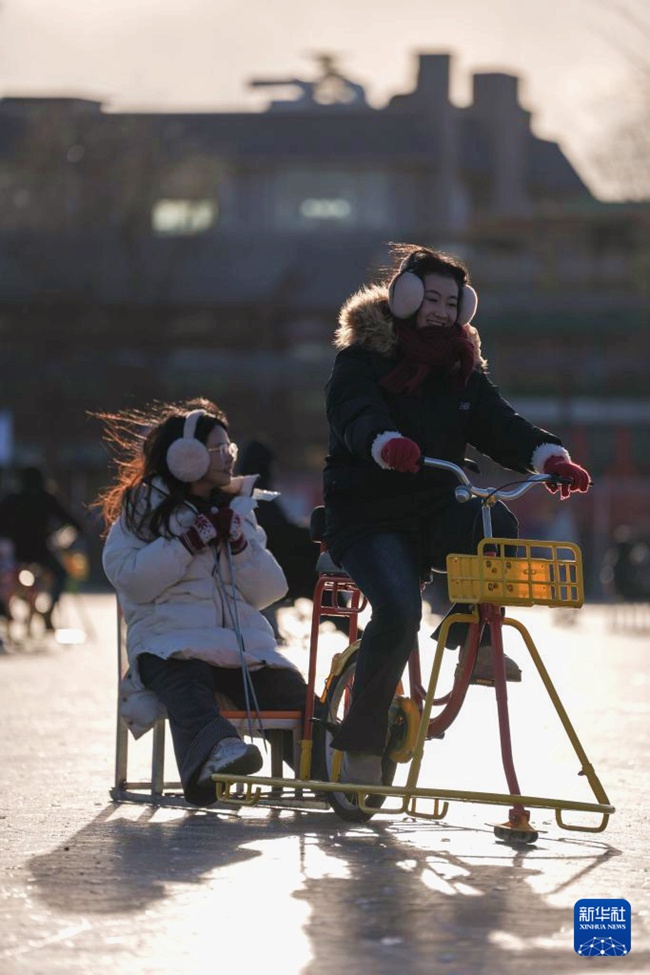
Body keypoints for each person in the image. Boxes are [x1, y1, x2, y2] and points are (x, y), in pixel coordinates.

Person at [322, 244, 591, 785]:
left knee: (494, 522)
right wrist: (385, 442)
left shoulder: (460, 368)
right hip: (368, 517)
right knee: (397, 611)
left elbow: (499, 423)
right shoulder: (361, 359)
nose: (442, 311)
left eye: (452, 301)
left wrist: (548, 456)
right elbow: (355, 412)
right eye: (432, 298)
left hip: (432, 509)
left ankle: (476, 641)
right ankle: (362, 745)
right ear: (405, 298)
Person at [96, 398, 310, 807]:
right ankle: (214, 753)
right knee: (188, 683)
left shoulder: (238, 507)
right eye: (219, 449)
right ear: (186, 456)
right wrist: (188, 542)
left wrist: (241, 545)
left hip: (236, 644)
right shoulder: (143, 507)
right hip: (166, 641)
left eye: (230, 448)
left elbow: (270, 590)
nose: (230, 457)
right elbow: (131, 580)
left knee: (288, 690)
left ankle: (333, 764)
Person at [0, 465, 85, 630]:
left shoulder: (12, 499)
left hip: (16, 552)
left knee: (6, 578)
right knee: (61, 575)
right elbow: (74, 523)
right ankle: (49, 609)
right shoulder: (46, 498)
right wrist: (63, 538)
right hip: (41, 551)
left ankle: (7, 609)